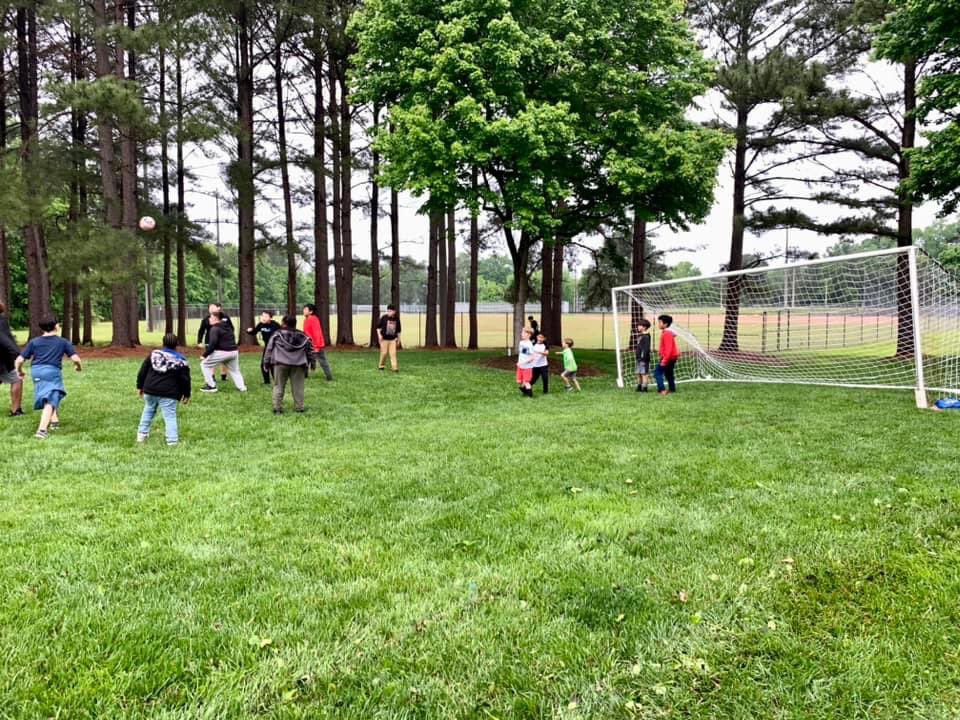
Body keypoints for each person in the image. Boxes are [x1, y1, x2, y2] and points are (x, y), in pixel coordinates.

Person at [14, 316, 82, 439]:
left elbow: (19, 360)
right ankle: (42, 430)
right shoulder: (62, 342)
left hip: (36, 372)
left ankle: (54, 421)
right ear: (56, 326)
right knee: (51, 399)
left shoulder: (34, 342)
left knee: (48, 395)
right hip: (52, 372)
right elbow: (76, 358)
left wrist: (20, 371)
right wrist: (78, 367)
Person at [136, 333, 191, 446]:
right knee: (170, 416)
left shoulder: (153, 355)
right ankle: (172, 441)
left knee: (148, 410)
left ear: (163, 343)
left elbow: (143, 371)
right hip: (169, 393)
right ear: (177, 344)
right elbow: (185, 380)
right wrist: (186, 394)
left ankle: (141, 436)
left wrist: (140, 386)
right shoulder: (181, 360)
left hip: (150, 390)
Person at [263, 315, 314, 414]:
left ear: (283, 323)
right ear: (295, 323)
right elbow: (310, 350)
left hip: (280, 363)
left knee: (278, 386)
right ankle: (299, 407)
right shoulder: (303, 336)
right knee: (298, 387)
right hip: (298, 364)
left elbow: (269, 349)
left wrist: (266, 362)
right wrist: (312, 363)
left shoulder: (277, 334)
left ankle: (277, 408)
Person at [199, 311, 247, 393]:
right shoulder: (227, 326)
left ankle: (211, 386)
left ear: (215, 319)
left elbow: (213, 344)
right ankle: (242, 388)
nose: (209, 319)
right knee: (235, 370)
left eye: (210, 317)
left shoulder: (214, 328)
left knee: (204, 364)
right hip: (234, 352)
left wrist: (204, 355)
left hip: (223, 352)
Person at [196, 302, 234, 382]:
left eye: (214, 307)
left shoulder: (225, 317)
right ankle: (212, 376)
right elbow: (201, 331)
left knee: (223, 358)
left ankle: (224, 375)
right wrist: (199, 341)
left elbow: (231, 328)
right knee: (211, 358)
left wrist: (229, 337)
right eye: (210, 308)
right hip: (210, 341)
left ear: (218, 308)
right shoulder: (206, 319)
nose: (212, 309)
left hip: (222, 342)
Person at [0, 301, 23, 416]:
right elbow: (3, 339)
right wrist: (17, 354)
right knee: (16, 379)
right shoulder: (1, 321)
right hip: (3, 360)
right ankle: (15, 410)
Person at [246, 310, 281, 385]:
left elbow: (281, 335)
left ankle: (277, 381)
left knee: (273, 364)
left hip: (275, 347)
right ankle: (267, 381)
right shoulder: (261, 324)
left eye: (266, 316)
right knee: (264, 364)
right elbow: (254, 331)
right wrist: (249, 331)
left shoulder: (275, 325)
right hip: (267, 347)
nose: (263, 318)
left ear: (270, 318)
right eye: (262, 316)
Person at [302, 304, 333, 381]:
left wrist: (317, 346)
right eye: (304, 309)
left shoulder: (313, 319)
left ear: (311, 311)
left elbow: (317, 333)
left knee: (322, 361)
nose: (304, 311)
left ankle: (329, 376)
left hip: (315, 345)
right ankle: (304, 375)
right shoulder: (306, 320)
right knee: (305, 360)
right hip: (308, 344)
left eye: (305, 309)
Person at [655, 314, 679, 395]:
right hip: (670, 357)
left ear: (665, 324)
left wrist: (664, 360)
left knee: (657, 372)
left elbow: (668, 349)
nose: (658, 324)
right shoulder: (667, 332)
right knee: (669, 373)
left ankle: (662, 390)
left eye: (660, 322)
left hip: (668, 357)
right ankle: (672, 389)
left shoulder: (667, 334)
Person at [376, 304, 402, 372]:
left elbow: (398, 331)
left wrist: (399, 339)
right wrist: (379, 335)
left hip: (392, 340)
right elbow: (378, 328)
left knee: (393, 354)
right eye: (388, 311)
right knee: (384, 353)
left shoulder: (397, 319)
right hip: (384, 339)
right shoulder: (384, 318)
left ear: (394, 311)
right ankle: (381, 366)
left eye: (390, 311)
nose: (388, 312)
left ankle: (394, 368)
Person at [516, 327, 536, 398]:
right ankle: (524, 390)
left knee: (526, 382)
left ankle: (530, 396)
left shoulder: (529, 344)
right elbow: (522, 354)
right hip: (520, 366)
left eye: (523, 333)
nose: (521, 334)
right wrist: (519, 362)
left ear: (528, 334)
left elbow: (532, 358)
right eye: (522, 332)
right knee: (519, 381)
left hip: (527, 367)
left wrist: (523, 362)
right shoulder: (521, 342)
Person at [635, 319, 652, 392]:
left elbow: (646, 349)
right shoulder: (641, 335)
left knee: (644, 373)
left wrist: (643, 357)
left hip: (644, 359)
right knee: (638, 373)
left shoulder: (646, 336)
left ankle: (644, 388)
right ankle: (639, 386)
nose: (638, 327)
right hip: (639, 358)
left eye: (639, 325)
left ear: (644, 327)